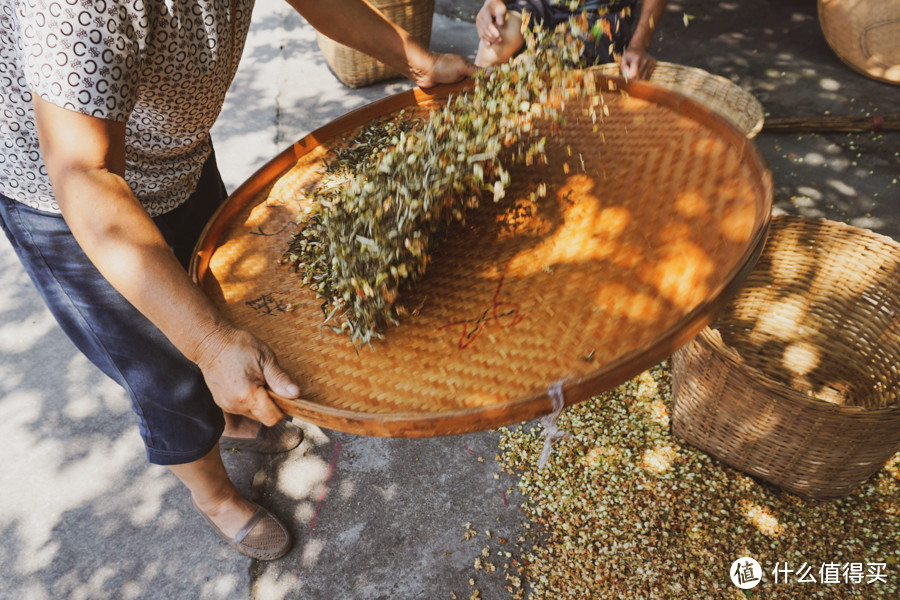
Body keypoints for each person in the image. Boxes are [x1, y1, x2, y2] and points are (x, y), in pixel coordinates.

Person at [0, 0, 475, 561]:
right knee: (168, 372)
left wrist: (417, 60)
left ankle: (228, 419)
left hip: (176, 156)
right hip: (68, 203)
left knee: (222, 305)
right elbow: (84, 172)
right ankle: (215, 496)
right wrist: (205, 343)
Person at [474, 0, 667, 79]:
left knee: (538, 65)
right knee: (493, 47)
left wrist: (639, 44)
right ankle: (474, 139)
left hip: (600, 16)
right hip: (540, 5)